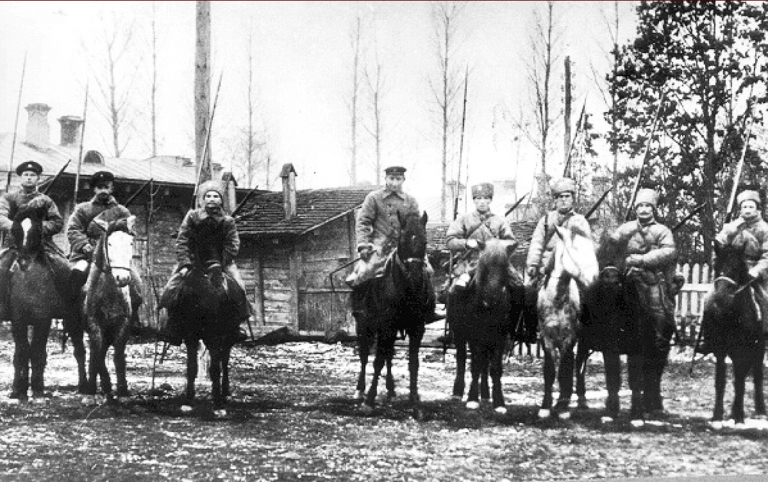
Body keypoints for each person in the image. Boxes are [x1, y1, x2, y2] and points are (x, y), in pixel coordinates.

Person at [609, 188, 683, 415]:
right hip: (626, 279)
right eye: (640, 206)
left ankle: (653, 389)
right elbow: (611, 248)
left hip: (652, 281)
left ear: (654, 209)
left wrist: (641, 259)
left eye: (647, 206)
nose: (643, 210)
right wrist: (621, 236)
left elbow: (668, 253)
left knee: (660, 318)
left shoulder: (662, 231)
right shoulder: (626, 228)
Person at [345, 166, 443, 322]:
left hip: (406, 245)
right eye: (391, 178)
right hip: (380, 244)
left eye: (398, 179)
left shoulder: (410, 200)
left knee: (428, 270)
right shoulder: (373, 198)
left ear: (403, 180)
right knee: (364, 272)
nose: (395, 183)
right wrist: (363, 245)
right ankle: (361, 309)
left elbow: (417, 225)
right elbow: (363, 222)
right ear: (385, 179)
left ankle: (428, 308)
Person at [159, 180, 250, 345]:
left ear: (221, 200)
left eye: (216, 196)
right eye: (208, 196)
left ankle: (236, 326)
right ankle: (172, 326)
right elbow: (182, 241)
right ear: (203, 199)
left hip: (222, 262)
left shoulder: (228, 221)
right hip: (194, 261)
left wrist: (221, 263)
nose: (212, 199)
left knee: (239, 287)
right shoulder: (192, 216)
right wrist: (185, 264)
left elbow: (233, 244)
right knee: (171, 287)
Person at [66, 170, 143, 328]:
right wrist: (84, 245)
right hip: (87, 254)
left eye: (106, 187)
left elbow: (130, 232)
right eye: (99, 187)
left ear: (112, 188)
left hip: (114, 256)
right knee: (76, 277)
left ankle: (133, 318)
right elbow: (73, 230)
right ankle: (72, 319)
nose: (103, 190)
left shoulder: (121, 211)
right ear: (93, 189)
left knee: (136, 283)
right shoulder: (83, 209)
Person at [696, 189, 768, 355]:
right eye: (744, 207)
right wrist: (719, 266)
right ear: (740, 210)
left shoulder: (764, 229)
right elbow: (718, 247)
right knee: (709, 299)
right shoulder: (731, 227)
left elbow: (767, 256)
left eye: (751, 206)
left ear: (758, 209)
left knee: (764, 300)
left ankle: (763, 336)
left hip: (753, 273)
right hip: (731, 272)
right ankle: (709, 340)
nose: (748, 210)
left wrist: (756, 271)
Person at [0, 161, 70, 319]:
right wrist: (18, 227)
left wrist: (36, 229)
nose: (29, 178)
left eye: (32, 175)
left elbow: (57, 222)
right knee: (1, 269)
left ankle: (65, 307)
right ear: (21, 178)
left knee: (64, 268)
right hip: (13, 244)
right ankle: (3, 306)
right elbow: (0, 217)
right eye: (26, 175)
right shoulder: (9, 198)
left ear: (38, 178)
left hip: (43, 245)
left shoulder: (46, 201)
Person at [445, 182, 520, 294]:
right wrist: (467, 243)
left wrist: (496, 246)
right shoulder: (464, 219)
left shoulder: (499, 221)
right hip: (470, 262)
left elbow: (511, 241)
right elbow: (450, 241)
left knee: (518, 285)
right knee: (454, 290)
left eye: (486, 198)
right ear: (474, 200)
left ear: (490, 200)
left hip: (496, 262)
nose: (482, 202)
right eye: (478, 198)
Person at [525, 177, 592, 286]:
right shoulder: (546, 220)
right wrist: (533, 263)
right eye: (560, 197)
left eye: (567, 196)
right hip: (547, 268)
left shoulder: (580, 221)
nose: (563, 199)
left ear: (572, 199)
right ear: (555, 200)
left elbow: (587, 247)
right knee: (528, 292)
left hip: (572, 268)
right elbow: (537, 244)